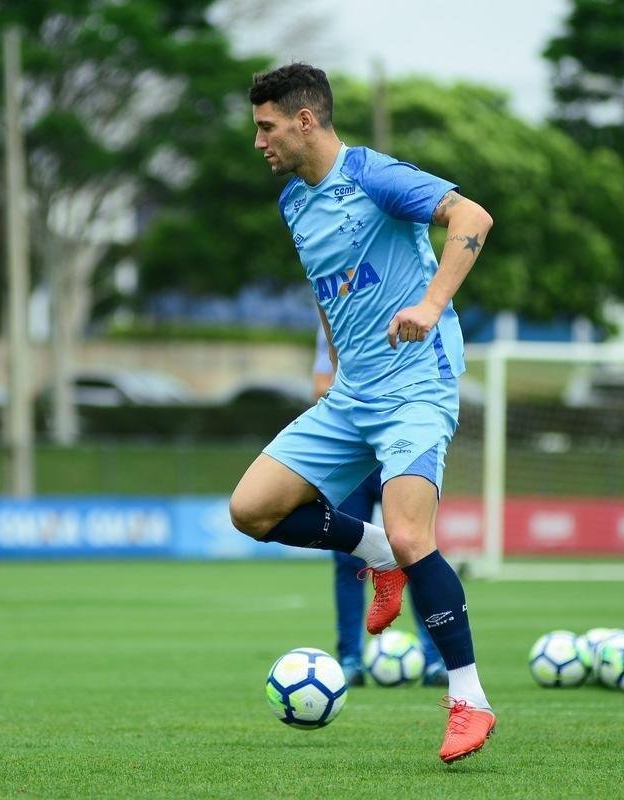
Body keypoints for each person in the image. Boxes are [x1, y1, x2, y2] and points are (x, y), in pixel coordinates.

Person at [228, 63, 495, 763]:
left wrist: (431, 305)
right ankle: (372, 551)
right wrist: (334, 366)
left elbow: (472, 217)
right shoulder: (292, 203)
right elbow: (330, 295)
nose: (258, 142)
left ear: (305, 121)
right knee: (252, 510)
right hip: (353, 395)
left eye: (266, 127)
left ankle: (469, 699)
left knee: (415, 535)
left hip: (415, 385)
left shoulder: (374, 175)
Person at [313, 323, 449, 688]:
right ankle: (351, 659)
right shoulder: (339, 314)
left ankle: (437, 659)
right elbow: (321, 385)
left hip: (404, 451)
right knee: (346, 559)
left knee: (417, 551)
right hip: (355, 458)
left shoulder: (414, 317)